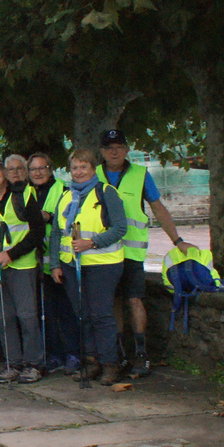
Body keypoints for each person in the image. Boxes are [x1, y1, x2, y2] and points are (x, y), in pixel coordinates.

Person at [99, 129, 197, 375]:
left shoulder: (141, 174)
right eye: (109, 147)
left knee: (134, 300)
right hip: (103, 253)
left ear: (127, 150)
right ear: (101, 151)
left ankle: (141, 355)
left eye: (119, 147)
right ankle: (120, 354)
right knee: (113, 302)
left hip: (131, 253)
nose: (114, 152)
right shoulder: (93, 174)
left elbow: (158, 208)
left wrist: (177, 240)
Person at [52, 149, 128, 385]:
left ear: (93, 169)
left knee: (101, 315)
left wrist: (91, 243)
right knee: (83, 315)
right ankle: (91, 362)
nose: (79, 172)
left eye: (83, 167)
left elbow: (120, 228)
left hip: (103, 264)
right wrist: (55, 264)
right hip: (71, 265)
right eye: (75, 167)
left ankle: (110, 364)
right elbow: (56, 233)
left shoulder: (106, 193)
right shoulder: (66, 196)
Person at [0, 156, 45, 383]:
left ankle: (33, 364)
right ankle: (13, 364)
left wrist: (11, 254)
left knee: (27, 317)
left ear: (5, 173)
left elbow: (37, 232)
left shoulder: (23, 196)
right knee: (3, 318)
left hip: (22, 267)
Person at [29, 152, 78, 374]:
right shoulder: (27, 193)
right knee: (46, 312)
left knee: (66, 310)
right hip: (36, 263)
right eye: (33, 169)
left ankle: (73, 354)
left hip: (60, 261)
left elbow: (68, 222)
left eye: (42, 168)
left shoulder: (63, 191)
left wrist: (49, 217)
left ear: (50, 169)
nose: (38, 173)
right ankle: (53, 355)